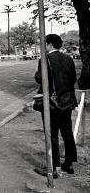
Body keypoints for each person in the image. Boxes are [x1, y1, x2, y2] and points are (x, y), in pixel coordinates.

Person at [34, 34, 78, 178]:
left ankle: (54, 168)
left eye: (45, 44)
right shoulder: (68, 58)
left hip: (52, 103)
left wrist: (38, 73)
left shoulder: (45, 59)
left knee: (52, 134)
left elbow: (40, 79)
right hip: (67, 101)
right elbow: (72, 79)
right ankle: (69, 164)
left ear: (50, 45)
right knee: (67, 133)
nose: (44, 47)